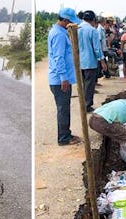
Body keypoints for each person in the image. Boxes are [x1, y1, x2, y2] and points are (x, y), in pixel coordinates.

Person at [48, 7, 81, 146]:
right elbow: (58, 58)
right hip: (60, 80)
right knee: (63, 109)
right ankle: (63, 138)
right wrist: (64, 78)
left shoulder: (59, 31)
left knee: (65, 108)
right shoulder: (59, 35)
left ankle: (66, 133)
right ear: (66, 20)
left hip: (60, 78)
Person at [78, 11, 107, 113]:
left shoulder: (76, 29)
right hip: (90, 61)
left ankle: (82, 103)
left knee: (82, 84)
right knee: (89, 85)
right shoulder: (92, 31)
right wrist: (102, 61)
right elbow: (97, 49)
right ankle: (87, 105)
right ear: (93, 20)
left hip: (79, 61)